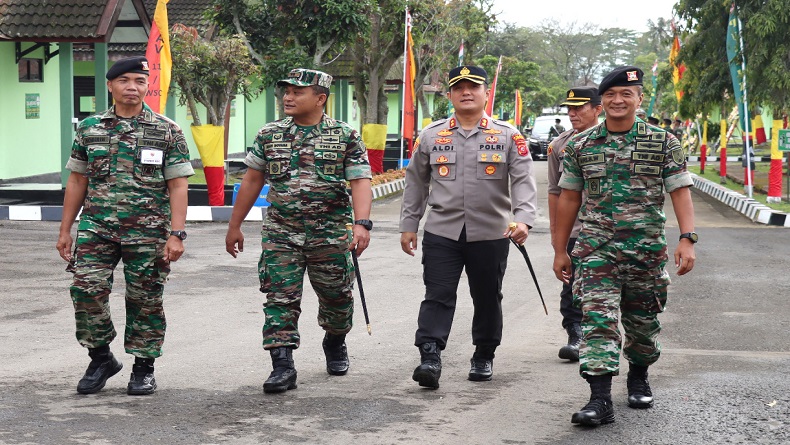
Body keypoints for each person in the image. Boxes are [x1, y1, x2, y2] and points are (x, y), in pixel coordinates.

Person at [552, 66, 697, 426]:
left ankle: (638, 376)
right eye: (611, 95)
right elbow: (568, 198)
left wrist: (687, 238)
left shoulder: (663, 142)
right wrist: (560, 250)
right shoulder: (581, 145)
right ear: (601, 102)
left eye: (626, 94)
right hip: (596, 250)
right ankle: (599, 399)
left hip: (645, 251)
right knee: (597, 320)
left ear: (639, 98)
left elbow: (679, 190)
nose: (618, 100)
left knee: (642, 322)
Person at [225, 68, 373, 394]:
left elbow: (360, 180)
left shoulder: (345, 135)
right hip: (281, 232)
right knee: (279, 298)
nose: (288, 97)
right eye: (286, 91)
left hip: (330, 234)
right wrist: (235, 225)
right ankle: (282, 366)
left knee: (337, 298)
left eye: (297, 92)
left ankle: (335, 340)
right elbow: (252, 180)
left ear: (320, 99)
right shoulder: (270, 134)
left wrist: (361, 224)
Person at [56, 56, 194, 396]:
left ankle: (143, 368)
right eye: (124, 80)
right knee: (85, 290)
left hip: (148, 231)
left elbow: (178, 184)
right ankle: (101, 357)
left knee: (145, 298)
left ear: (147, 86)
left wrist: (177, 233)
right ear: (110, 85)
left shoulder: (166, 130)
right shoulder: (90, 128)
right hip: (97, 227)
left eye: (139, 81)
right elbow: (77, 180)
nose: (132, 87)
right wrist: (65, 230)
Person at [400, 65, 538, 389]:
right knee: (437, 294)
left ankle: (484, 354)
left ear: (486, 93)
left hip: (491, 232)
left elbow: (522, 180)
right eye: (459, 87)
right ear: (449, 95)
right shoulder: (431, 135)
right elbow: (416, 183)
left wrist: (524, 219)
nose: (466, 92)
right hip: (442, 231)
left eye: (473, 87)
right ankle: (430, 356)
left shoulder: (508, 135)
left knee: (487, 296)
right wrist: (409, 224)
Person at [547, 86, 603, 362]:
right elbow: (555, 192)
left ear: (597, 109)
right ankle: (576, 335)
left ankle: (603, 337)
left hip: (608, 229)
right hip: (576, 229)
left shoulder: (614, 140)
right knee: (571, 285)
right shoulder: (559, 146)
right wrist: (557, 235)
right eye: (570, 108)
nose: (572, 113)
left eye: (579, 107)